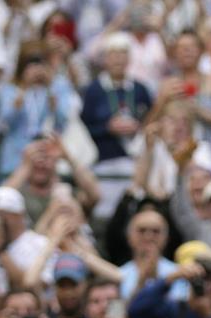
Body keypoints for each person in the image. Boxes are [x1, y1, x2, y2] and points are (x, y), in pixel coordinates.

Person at [80, 31, 152, 219]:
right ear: (105, 59)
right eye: (114, 54)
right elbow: (84, 127)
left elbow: (150, 120)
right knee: (105, 215)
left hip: (135, 161)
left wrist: (138, 127)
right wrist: (107, 128)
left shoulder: (140, 89)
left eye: (123, 54)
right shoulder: (94, 90)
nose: (118, 59)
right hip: (103, 161)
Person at [149, 30, 211, 167]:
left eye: (192, 47)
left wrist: (202, 112)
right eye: (182, 47)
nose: (187, 51)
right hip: (174, 160)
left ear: (201, 51)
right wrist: (162, 100)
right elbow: (149, 126)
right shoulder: (167, 85)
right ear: (174, 53)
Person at [0, 41, 73, 175]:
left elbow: (62, 123)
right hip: (14, 157)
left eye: (41, 63)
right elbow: (4, 123)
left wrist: (49, 88)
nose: (37, 69)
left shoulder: (57, 87)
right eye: (31, 64)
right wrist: (24, 88)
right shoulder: (10, 89)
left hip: (45, 158)